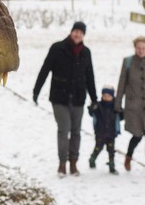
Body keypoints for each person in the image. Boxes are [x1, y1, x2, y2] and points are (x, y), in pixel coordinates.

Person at [33, 21, 97, 176]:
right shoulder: (57, 48)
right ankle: (62, 163)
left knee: (76, 131)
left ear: (83, 35)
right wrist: (36, 90)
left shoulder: (86, 52)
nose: (78, 34)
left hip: (78, 98)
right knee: (64, 129)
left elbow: (90, 77)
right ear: (71, 32)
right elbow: (45, 69)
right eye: (76, 31)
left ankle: (73, 163)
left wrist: (94, 99)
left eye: (81, 32)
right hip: (59, 97)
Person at [116, 35, 145, 177]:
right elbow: (122, 84)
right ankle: (129, 156)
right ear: (135, 48)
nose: (141, 50)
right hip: (134, 106)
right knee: (137, 135)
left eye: (143, 48)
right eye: (138, 48)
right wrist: (118, 103)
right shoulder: (128, 62)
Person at [88, 86, 121, 174]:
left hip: (111, 133)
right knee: (98, 147)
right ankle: (92, 158)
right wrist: (92, 107)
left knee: (111, 150)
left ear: (112, 97)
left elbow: (121, 116)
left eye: (108, 96)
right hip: (100, 132)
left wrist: (121, 111)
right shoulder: (99, 106)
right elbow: (91, 112)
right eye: (104, 96)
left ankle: (111, 165)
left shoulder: (115, 107)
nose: (106, 98)